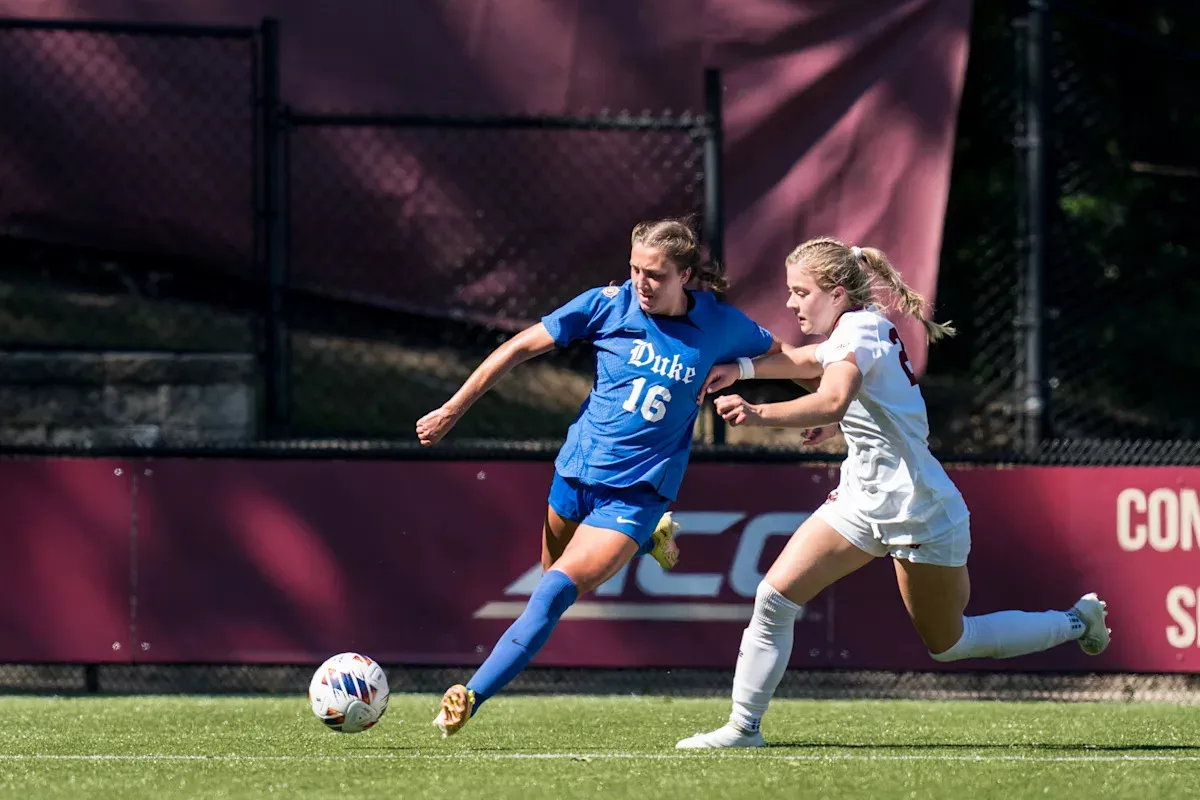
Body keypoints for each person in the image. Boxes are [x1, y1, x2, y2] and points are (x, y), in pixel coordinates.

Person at [675, 237, 1111, 749]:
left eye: (800, 292)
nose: (791, 303)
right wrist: (746, 370)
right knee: (774, 599)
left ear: (837, 293)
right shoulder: (855, 329)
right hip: (861, 501)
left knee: (950, 643)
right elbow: (810, 362)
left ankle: (1076, 620)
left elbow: (833, 394)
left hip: (919, 509)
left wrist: (758, 411)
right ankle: (743, 728)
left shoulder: (859, 331)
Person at [415, 218, 782, 737]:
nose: (640, 282)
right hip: (574, 475)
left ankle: (470, 695)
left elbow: (791, 359)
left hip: (636, 496)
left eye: (654, 274)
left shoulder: (721, 325)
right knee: (549, 579)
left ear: (685, 275)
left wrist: (744, 374)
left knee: (552, 594)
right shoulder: (607, 305)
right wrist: (455, 407)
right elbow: (520, 346)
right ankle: (651, 540)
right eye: (634, 268)